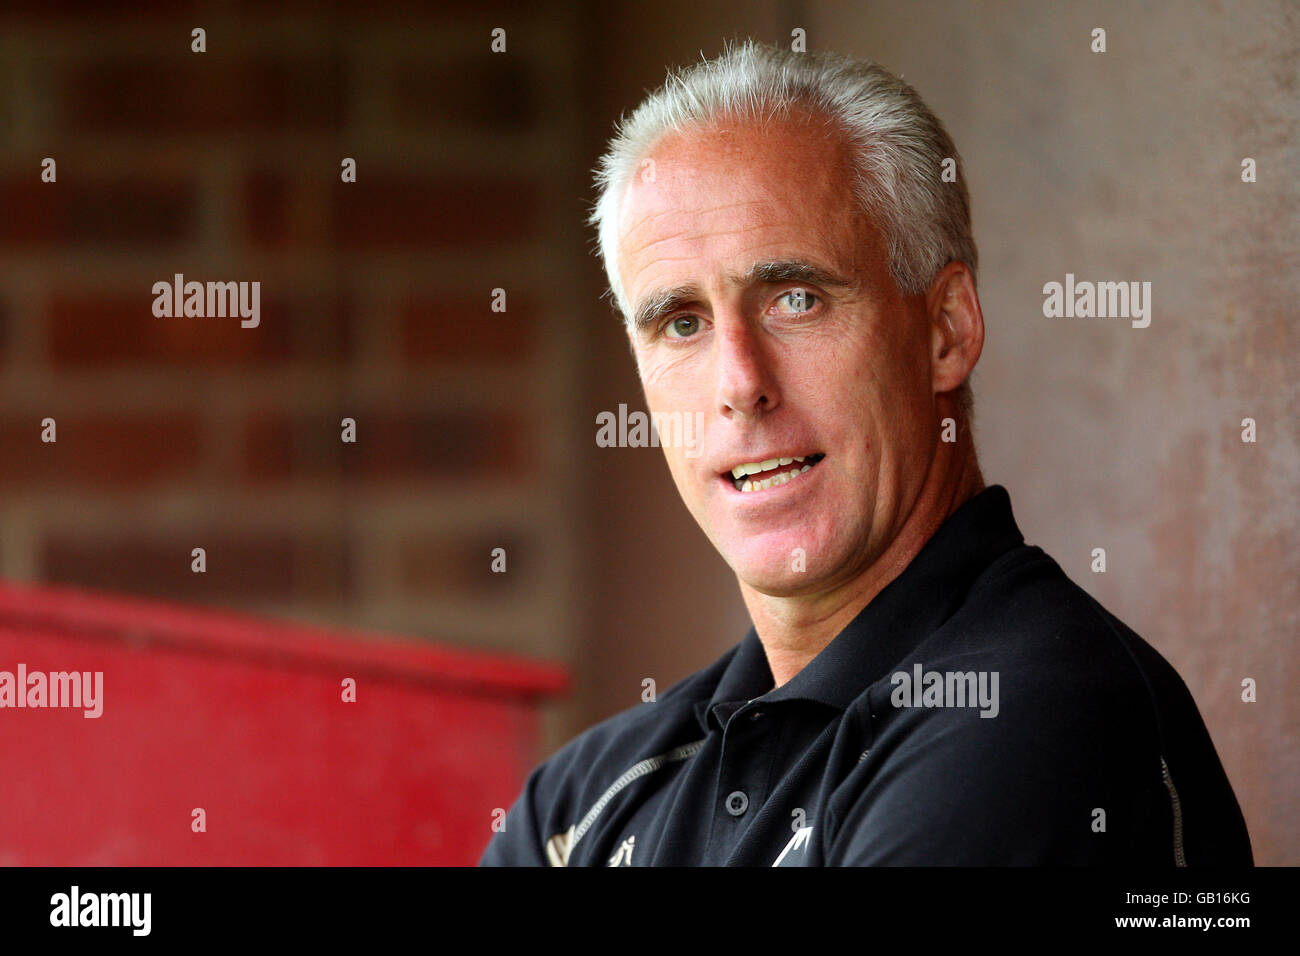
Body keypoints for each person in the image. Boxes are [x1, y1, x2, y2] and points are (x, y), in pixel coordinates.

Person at [480, 40, 1252, 866]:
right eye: (682, 322)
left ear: (945, 331)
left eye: (797, 298)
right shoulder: (581, 804)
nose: (740, 383)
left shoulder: (1030, 714)